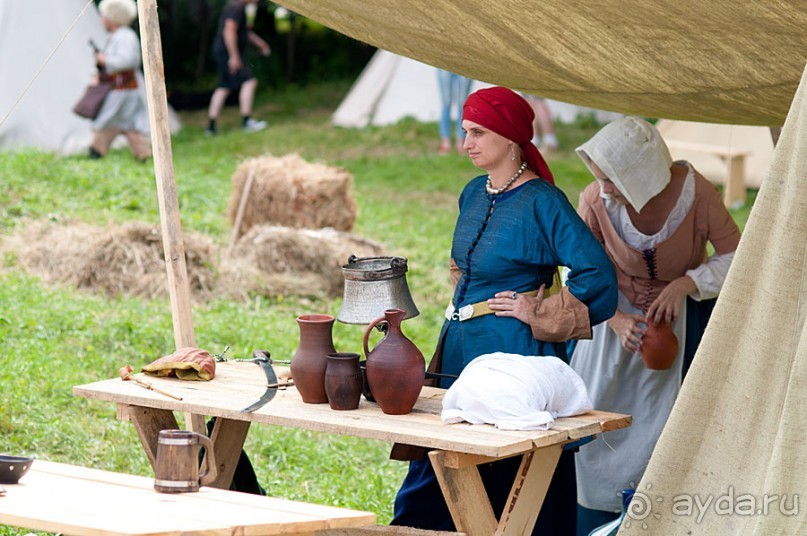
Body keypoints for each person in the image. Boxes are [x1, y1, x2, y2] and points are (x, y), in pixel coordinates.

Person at [391, 86, 618, 535]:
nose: (466, 143)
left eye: (477, 132)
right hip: (457, 347)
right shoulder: (474, 192)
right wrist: (465, 297)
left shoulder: (543, 202)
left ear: (510, 136)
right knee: (437, 467)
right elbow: (466, 263)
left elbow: (599, 278)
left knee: (505, 473)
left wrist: (537, 312)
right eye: (464, 132)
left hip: (510, 352)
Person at [570, 116, 741, 534]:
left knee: (669, 426)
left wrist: (686, 283)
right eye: (601, 179)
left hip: (681, 321)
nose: (605, 188)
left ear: (640, 175)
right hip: (612, 322)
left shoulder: (697, 194)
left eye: (612, 179)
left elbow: (738, 254)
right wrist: (612, 318)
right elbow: (581, 269)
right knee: (597, 418)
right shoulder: (596, 200)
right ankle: (596, 523)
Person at [89, 0, 151, 162]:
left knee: (108, 119)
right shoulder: (118, 36)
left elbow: (128, 61)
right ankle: (140, 154)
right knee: (126, 122)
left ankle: (97, 151)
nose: (102, 20)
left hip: (123, 89)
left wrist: (105, 60)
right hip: (119, 88)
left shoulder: (125, 37)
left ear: (112, 18)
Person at [206, 0, 271, 135]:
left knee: (224, 87)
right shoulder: (235, 7)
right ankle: (246, 121)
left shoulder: (238, 7)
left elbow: (244, 32)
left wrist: (260, 43)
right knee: (249, 82)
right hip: (227, 53)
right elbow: (229, 31)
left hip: (223, 52)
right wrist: (234, 56)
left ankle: (211, 127)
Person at [436, 69, 473, 154]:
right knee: (446, 102)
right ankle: (445, 141)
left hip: (465, 65)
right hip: (444, 65)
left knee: (463, 103)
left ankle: (461, 141)